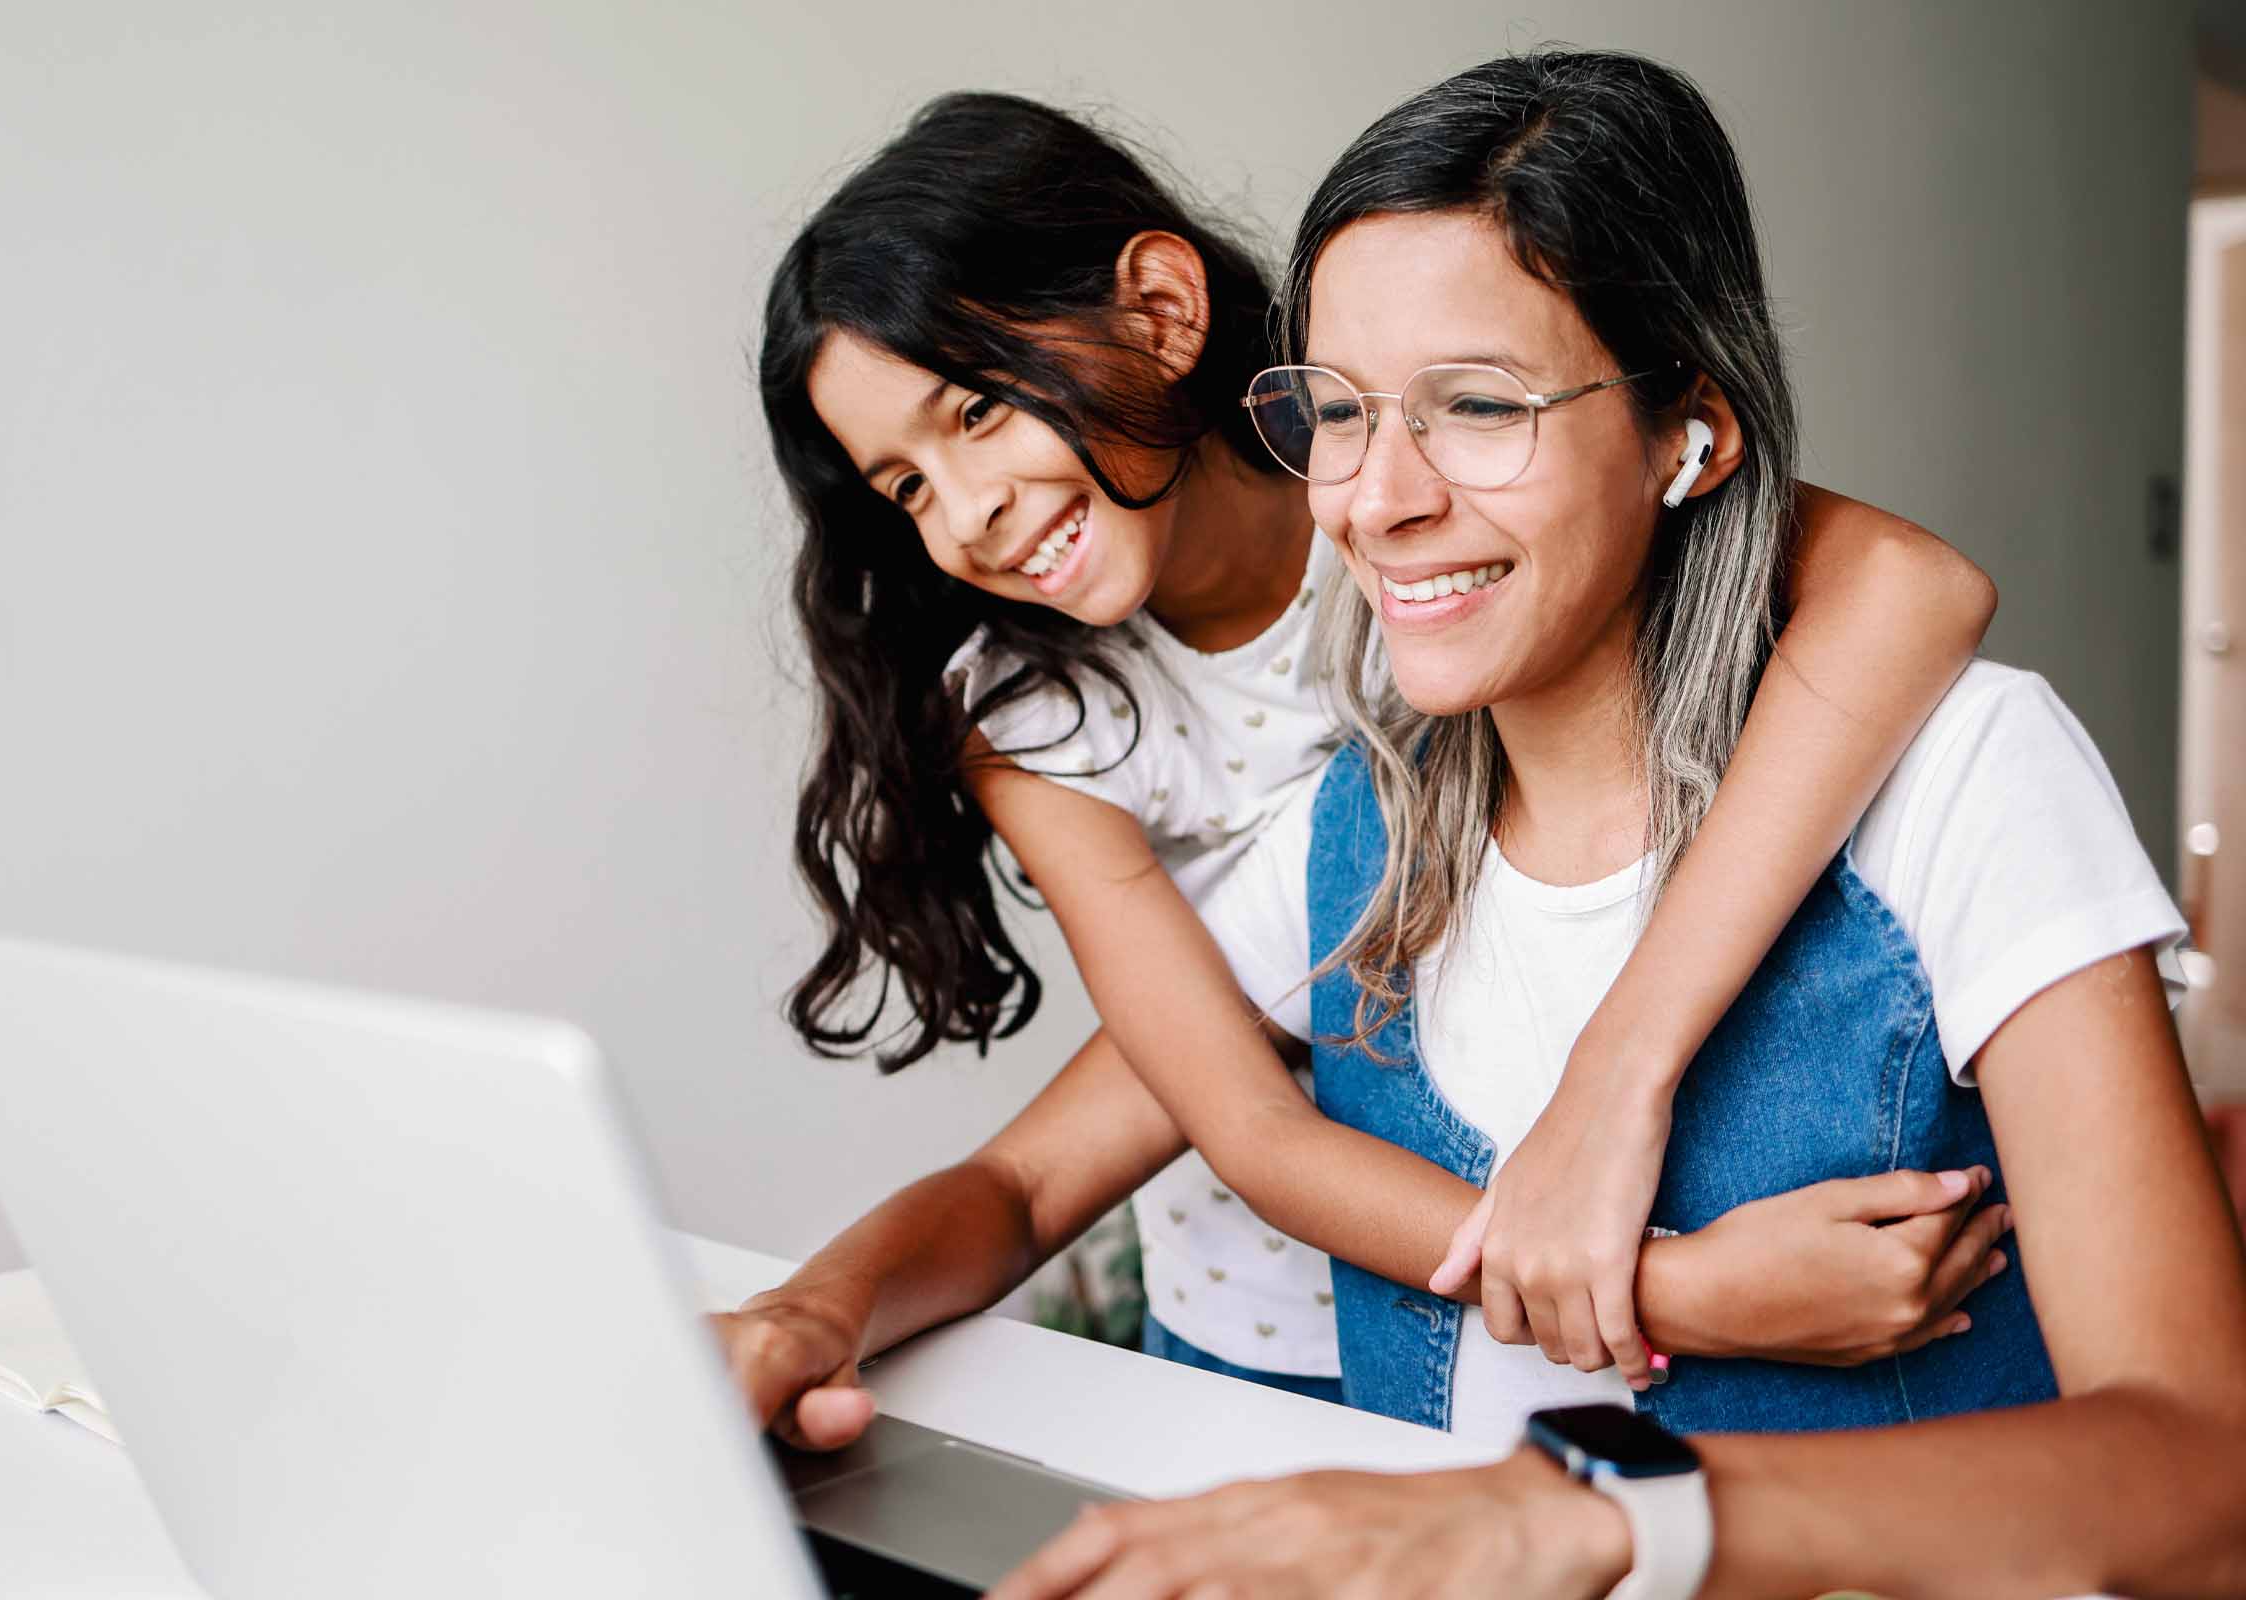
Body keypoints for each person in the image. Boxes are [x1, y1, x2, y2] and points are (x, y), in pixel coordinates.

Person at [991, 48, 2246, 1599]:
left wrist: (1584, 1513)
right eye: (1338, 412)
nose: (1374, 500)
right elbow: (1036, 1176)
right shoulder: (1353, 841)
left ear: (1688, 436)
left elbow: (2206, 1481)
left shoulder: (1974, 771)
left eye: (1477, 407)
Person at [739, 88, 2001, 1424]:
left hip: (1578, 1255)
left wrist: (1613, 1091)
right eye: (907, 487)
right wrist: (1655, 1285)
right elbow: (1235, 1131)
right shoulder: (1034, 721)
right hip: (1276, 1325)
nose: (970, 512)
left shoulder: (1410, 502)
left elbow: (1911, 588)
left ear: (1161, 312)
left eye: (979, 413)